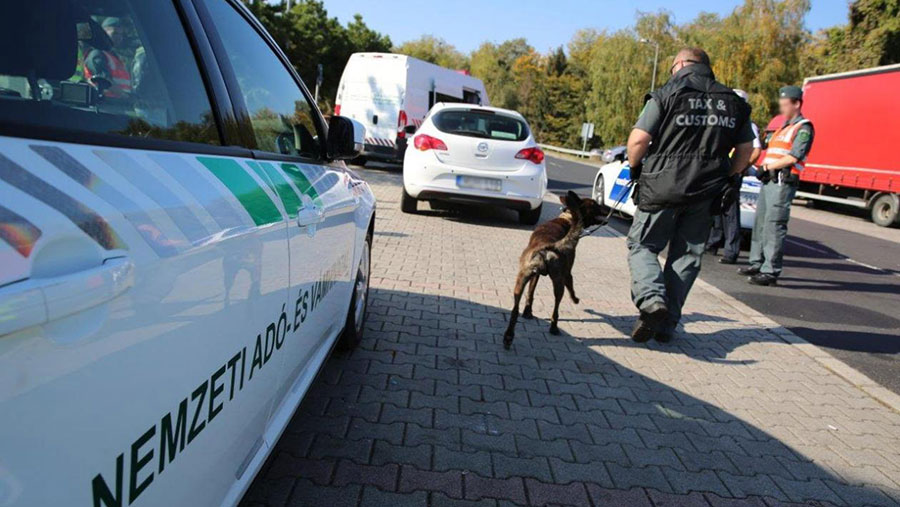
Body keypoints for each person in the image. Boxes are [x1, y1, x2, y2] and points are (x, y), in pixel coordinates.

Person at [626, 48, 755, 343]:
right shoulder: (733, 102)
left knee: (642, 245)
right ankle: (667, 323)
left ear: (681, 65)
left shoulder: (666, 94)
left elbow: (638, 139)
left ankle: (651, 301)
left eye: (673, 68)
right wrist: (730, 177)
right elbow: (746, 150)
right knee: (686, 256)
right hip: (706, 191)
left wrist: (635, 168)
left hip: (662, 187)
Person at [739, 86, 814, 286]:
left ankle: (770, 271)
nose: (781, 109)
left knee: (774, 225)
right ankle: (756, 263)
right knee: (760, 224)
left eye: (784, 105)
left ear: (796, 104)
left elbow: (794, 156)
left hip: (782, 181)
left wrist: (769, 166)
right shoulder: (782, 127)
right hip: (769, 179)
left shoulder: (803, 127)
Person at [706, 89, 762, 264]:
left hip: (733, 172)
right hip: (719, 170)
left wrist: (741, 168)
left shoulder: (747, 124)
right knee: (716, 209)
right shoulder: (727, 121)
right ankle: (713, 244)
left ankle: (731, 251)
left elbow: (756, 150)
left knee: (730, 212)